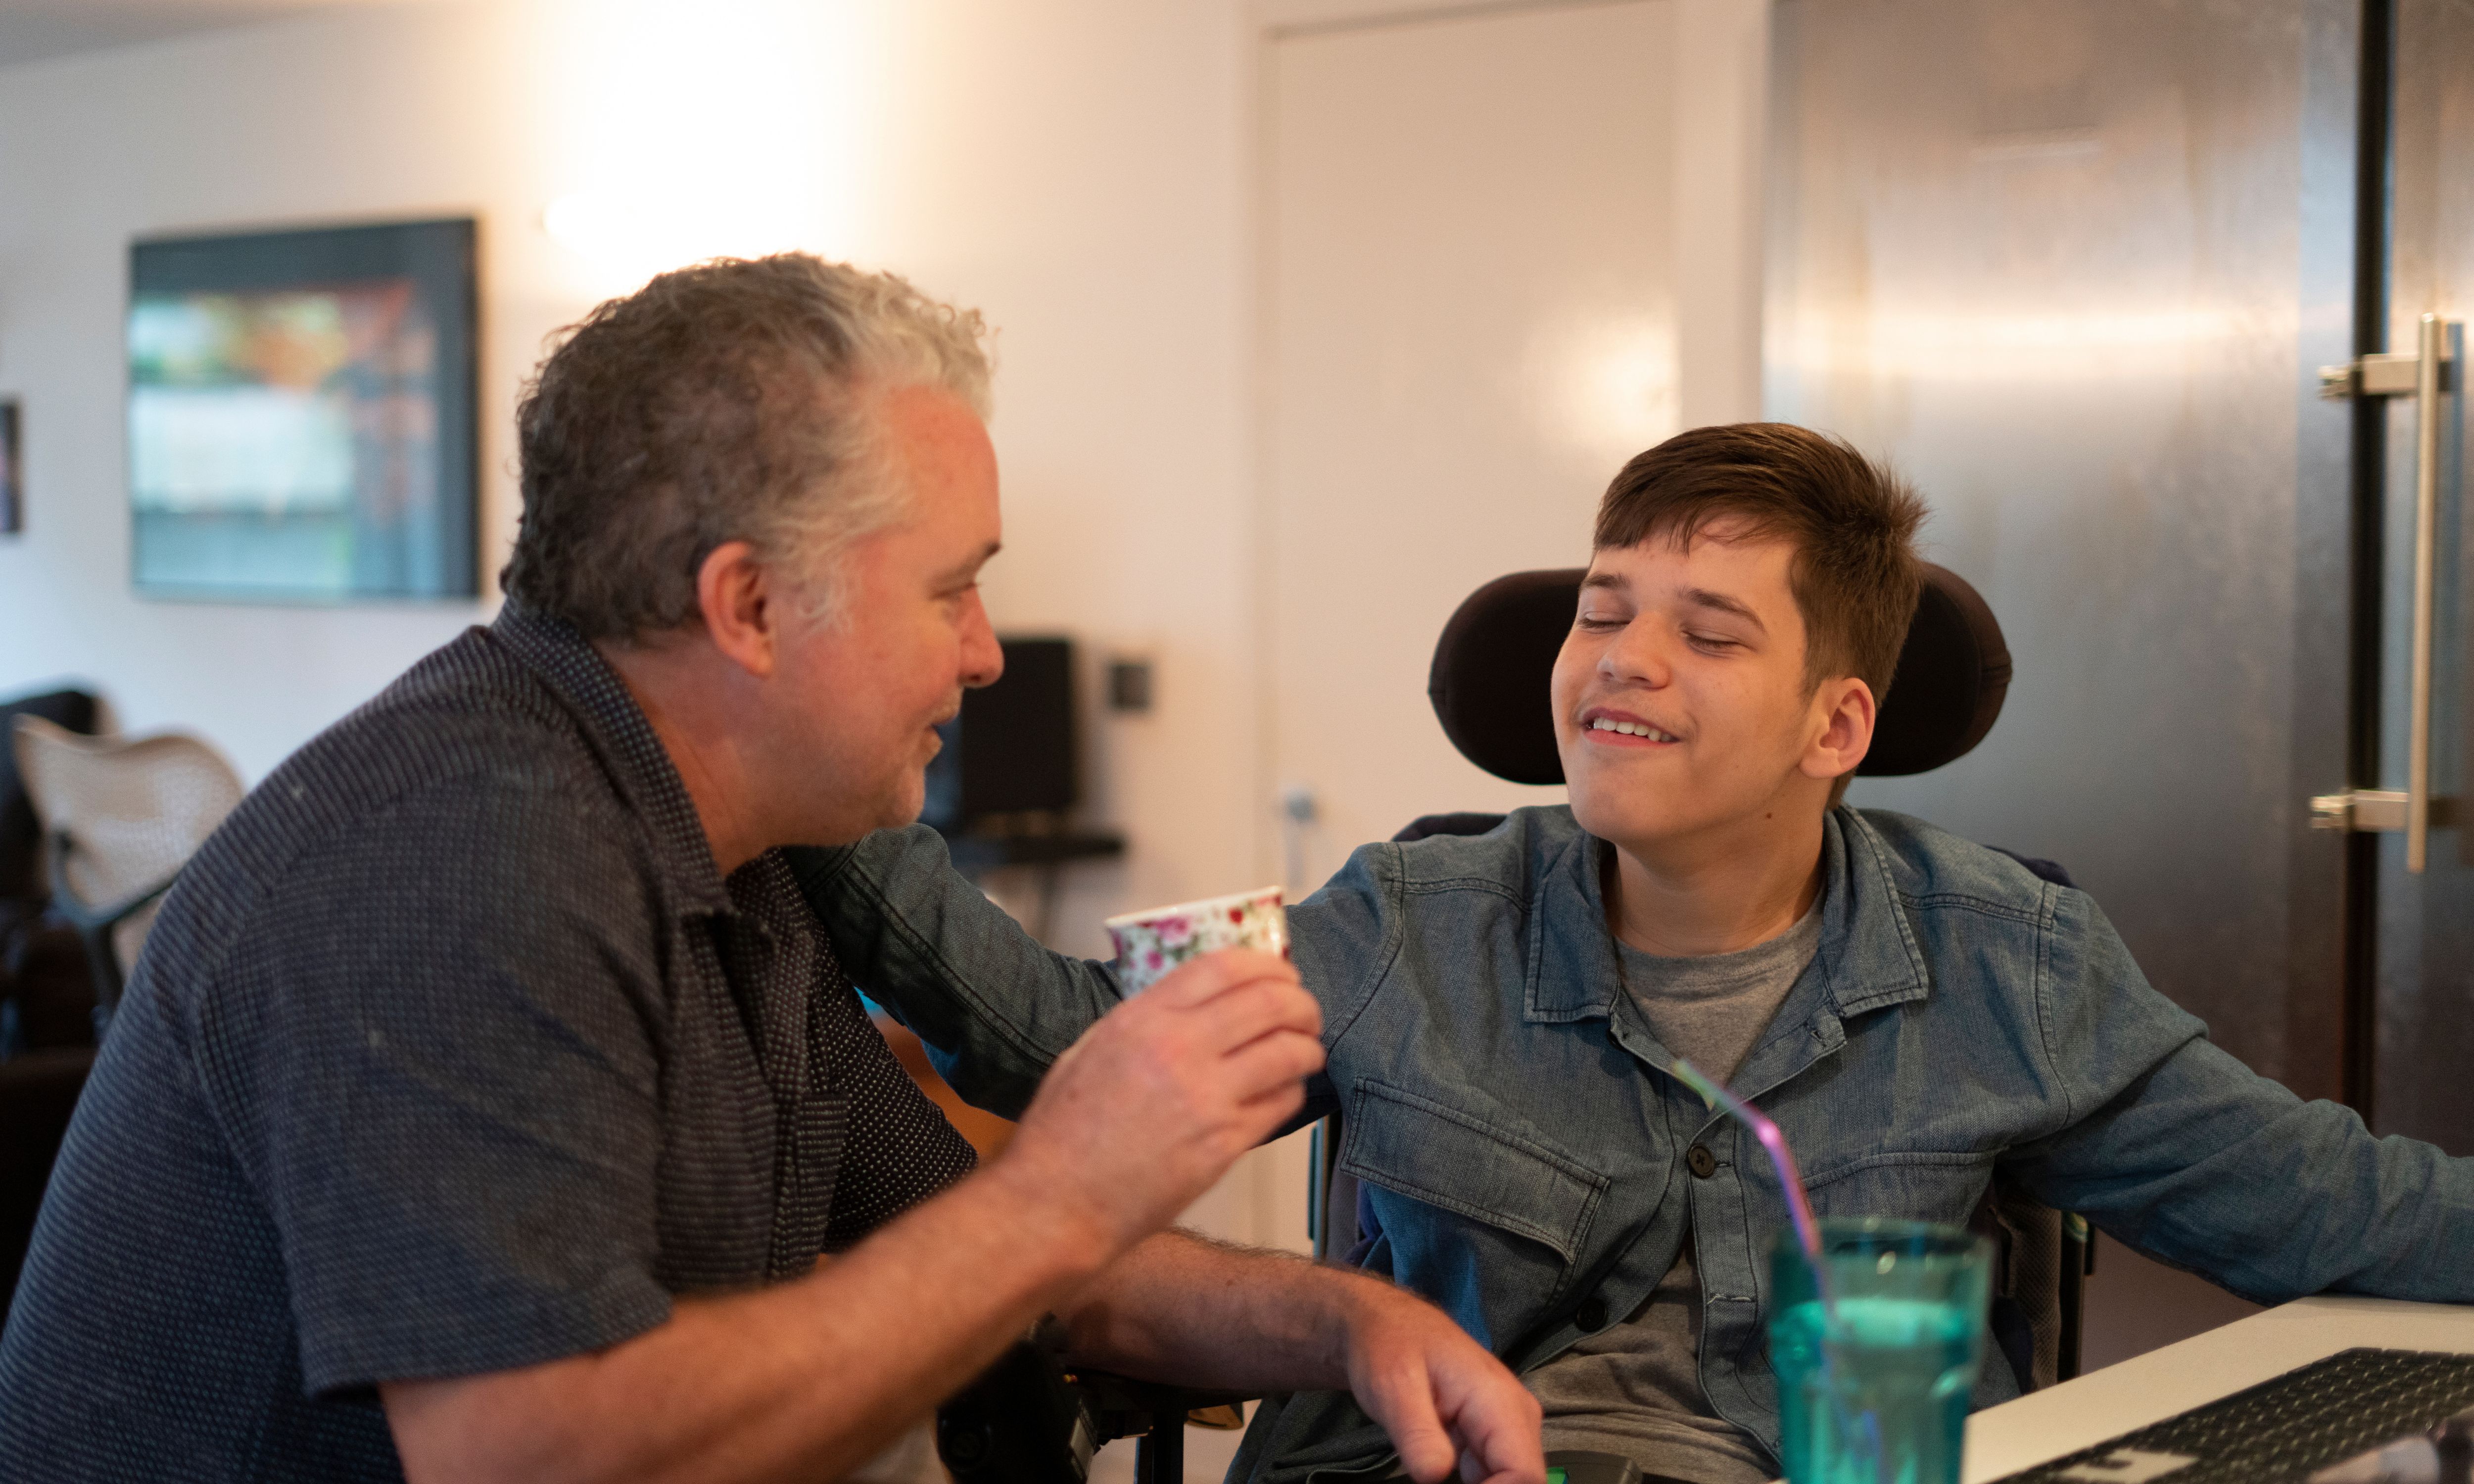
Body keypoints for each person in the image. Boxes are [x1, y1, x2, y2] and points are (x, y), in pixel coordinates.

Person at [0, 256, 1544, 1484]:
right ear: (748, 608)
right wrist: (1066, 1189)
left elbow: (987, 1259)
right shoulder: (461, 854)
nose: (989, 652)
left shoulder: (743, 853)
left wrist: (1346, 1321)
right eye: (952, 591)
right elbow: (527, 1455)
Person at [794, 421, 2474, 1484]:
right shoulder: (1409, 922)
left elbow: (2340, 1210)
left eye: (1707, 629)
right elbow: (1056, 1043)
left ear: (1839, 723)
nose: (1621, 658)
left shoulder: (2005, 961)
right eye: (1603, 609)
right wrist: (816, 752)